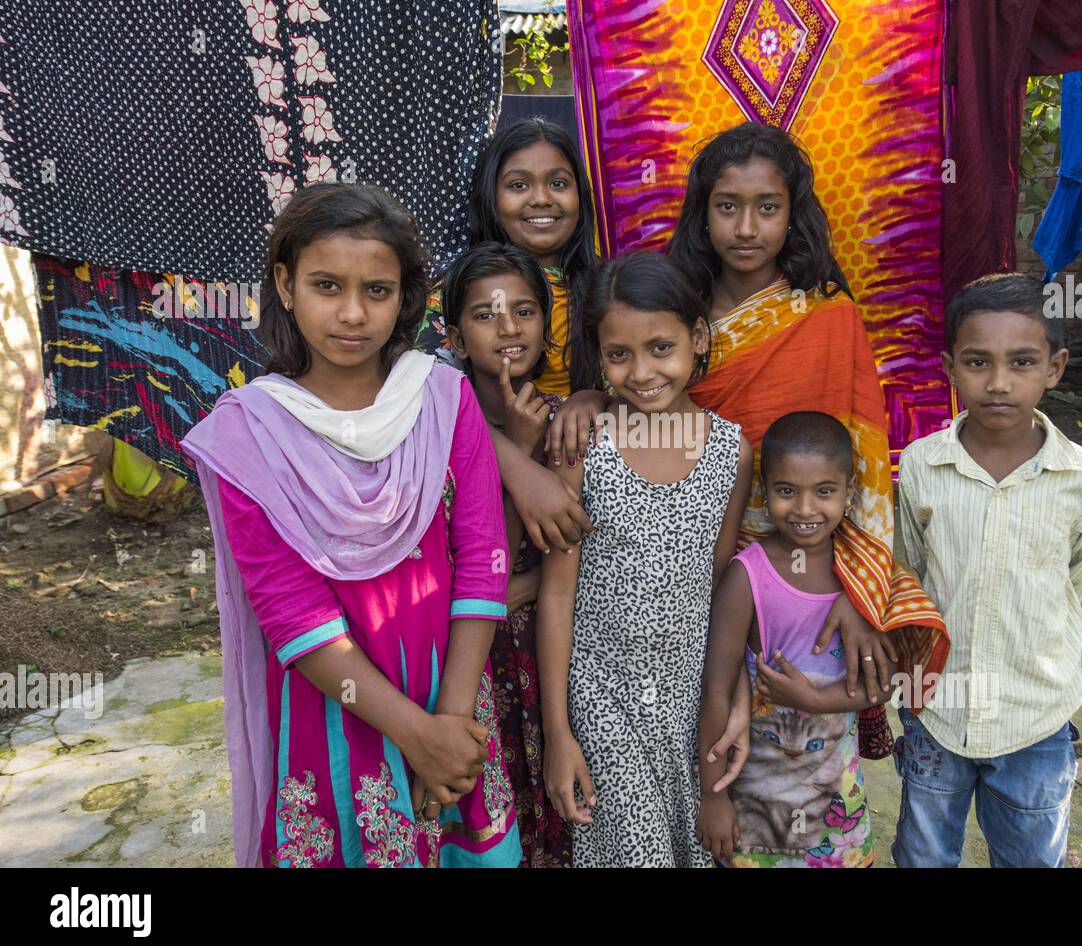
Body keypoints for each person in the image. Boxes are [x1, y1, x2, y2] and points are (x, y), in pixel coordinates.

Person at [550, 122, 949, 763]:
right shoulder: (674, 312)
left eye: (767, 208)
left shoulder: (828, 317)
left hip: (806, 577)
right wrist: (590, 396)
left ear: (793, 215)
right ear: (701, 214)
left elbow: (867, 468)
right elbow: (644, 395)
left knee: (790, 758)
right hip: (686, 578)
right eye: (727, 206)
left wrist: (858, 590)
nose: (745, 228)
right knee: (692, 753)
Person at [182, 183, 521, 868]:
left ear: (405, 297)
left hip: (451, 694)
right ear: (284, 282)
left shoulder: (441, 397)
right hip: (337, 712)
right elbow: (290, 611)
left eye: (377, 290)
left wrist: (449, 729)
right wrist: (414, 734)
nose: (352, 313)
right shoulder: (248, 434)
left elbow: (482, 554)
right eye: (327, 285)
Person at [893, 272, 1082, 868]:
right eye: (977, 362)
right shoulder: (920, 465)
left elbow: (1075, 579)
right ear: (949, 366)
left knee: (1029, 858)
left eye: (1021, 362)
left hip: (1035, 715)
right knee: (923, 853)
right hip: (935, 708)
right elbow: (909, 573)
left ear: (1055, 366)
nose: (997, 382)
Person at [537, 252, 753, 867]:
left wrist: (733, 699)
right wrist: (559, 733)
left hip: (689, 700)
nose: (641, 371)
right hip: (602, 695)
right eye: (618, 355)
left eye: (661, 347)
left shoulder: (731, 452)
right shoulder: (584, 448)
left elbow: (721, 591)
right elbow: (556, 594)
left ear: (698, 337)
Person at [439, 241, 572, 866]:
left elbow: (581, 560)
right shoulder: (432, 431)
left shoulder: (571, 425)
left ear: (547, 327)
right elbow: (476, 564)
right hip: (471, 664)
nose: (509, 328)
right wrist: (514, 453)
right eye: (486, 314)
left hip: (555, 654)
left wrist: (524, 589)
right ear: (457, 336)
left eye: (524, 311)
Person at [699, 412, 875, 868]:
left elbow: (885, 681)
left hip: (836, 805)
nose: (804, 509)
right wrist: (712, 797)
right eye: (786, 491)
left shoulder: (864, 575)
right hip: (757, 807)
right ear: (764, 491)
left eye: (824, 491)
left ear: (848, 493)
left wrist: (814, 700)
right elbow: (716, 691)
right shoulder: (747, 577)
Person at [416, 117, 598, 396]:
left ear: (581, 195)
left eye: (558, 183)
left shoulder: (608, 289)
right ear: (491, 197)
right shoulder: (455, 292)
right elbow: (434, 400)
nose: (541, 199)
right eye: (518, 186)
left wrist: (596, 400)